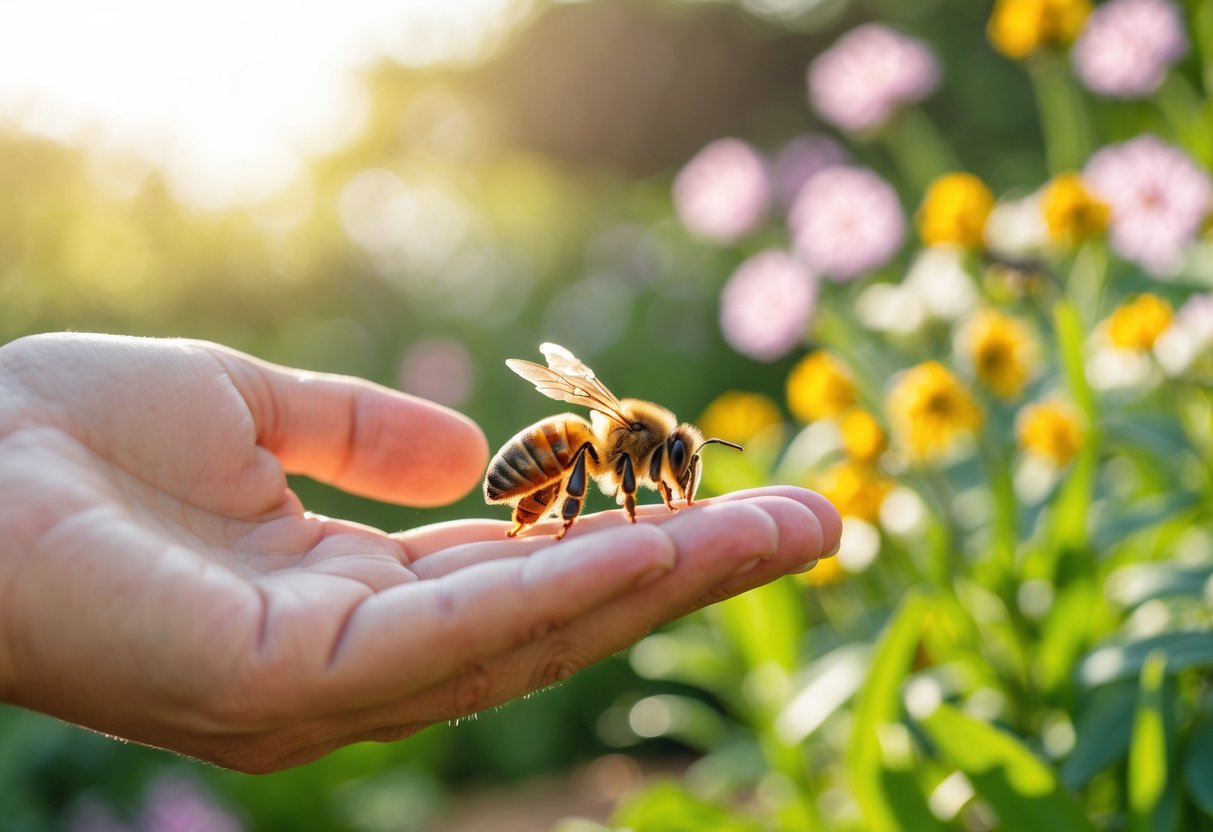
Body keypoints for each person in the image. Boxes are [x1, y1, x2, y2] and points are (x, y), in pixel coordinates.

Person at [0, 332, 841, 773]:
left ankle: (541, 518)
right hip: (544, 462)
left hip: (548, 468)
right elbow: (606, 461)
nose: (676, 481)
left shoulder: (638, 441)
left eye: (678, 474)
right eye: (675, 469)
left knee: (582, 465)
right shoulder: (624, 441)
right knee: (575, 457)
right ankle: (544, 515)